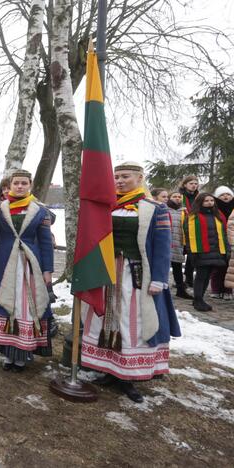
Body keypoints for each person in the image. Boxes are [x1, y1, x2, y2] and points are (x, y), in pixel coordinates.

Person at [81, 161, 180, 403]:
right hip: (106, 274)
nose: (119, 181)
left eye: (125, 176)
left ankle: (128, 377)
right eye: (116, 177)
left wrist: (159, 278)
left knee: (131, 322)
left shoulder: (155, 209)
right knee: (106, 319)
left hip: (135, 275)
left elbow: (162, 247)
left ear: (140, 178)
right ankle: (108, 370)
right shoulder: (107, 206)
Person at [0, 169, 54, 372]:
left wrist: (48, 270)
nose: (20, 186)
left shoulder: (39, 210)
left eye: (24, 183)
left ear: (30, 185)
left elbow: (46, 243)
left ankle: (21, 356)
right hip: (2, 264)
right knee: (4, 305)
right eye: (16, 183)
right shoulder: (0, 208)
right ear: (9, 186)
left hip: (30, 266)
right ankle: (7, 355)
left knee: (25, 308)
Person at [183, 192, 228, 311]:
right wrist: (192, 252)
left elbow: (223, 234)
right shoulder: (193, 217)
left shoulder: (217, 215)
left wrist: (225, 251)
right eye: (206, 201)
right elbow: (189, 236)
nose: (209, 203)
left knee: (207, 276)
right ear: (200, 202)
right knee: (201, 276)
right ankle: (198, 300)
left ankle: (199, 299)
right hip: (201, 251)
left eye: (211, 200)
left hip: (215, 251)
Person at [209, 186, 233, 300]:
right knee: (218, 266)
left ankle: (228, 290)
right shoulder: (213, 208)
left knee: (230, 267)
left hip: (232, 240)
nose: (225, 196)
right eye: (222, 195)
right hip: (218, 240)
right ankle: (216, 289)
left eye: (228, 194)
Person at [166, 191, 191, 299]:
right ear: (169, 198)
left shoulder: (184, 211)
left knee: (177, 267)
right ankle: (163, 289)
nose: (177, 198)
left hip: (179, 243)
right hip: (166, 242)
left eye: (179, 197)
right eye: (174, 196)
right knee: (164, 267)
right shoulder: (164, 209)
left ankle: (180, 289)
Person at [178, 175, 200, 285]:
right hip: (180, 228)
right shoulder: (179, 196)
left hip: (195, 228)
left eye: (195, 184)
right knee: (179, 254)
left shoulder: (199, 197)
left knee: (192, 255)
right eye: (191, 183)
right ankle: (178, 280)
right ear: (185, 184)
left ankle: (189, 279)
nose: (194, 186)